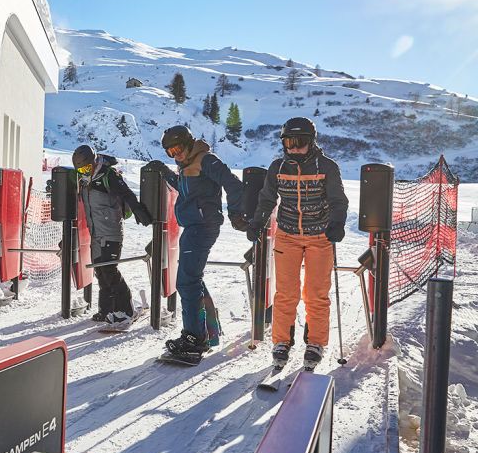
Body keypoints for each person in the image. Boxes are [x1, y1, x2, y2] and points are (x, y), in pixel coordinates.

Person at [246, 117, 348, 371]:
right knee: (286, 293)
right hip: (288, 235)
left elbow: (339, 200)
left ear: (311, 142)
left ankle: (315, 343)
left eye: (300, 142)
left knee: (316, 294)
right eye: (289, 142)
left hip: (320, 237)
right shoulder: (278, 167)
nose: (294, 148)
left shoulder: (327, 166)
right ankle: (281, 342)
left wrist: (337, 223)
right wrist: (257, 222)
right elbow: (267, 199)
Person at [145, 126, 246, 364]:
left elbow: (233, 184)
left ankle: (194, 338)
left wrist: (235, 214)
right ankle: (208, 331)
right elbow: (183, 189)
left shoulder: (206, 160)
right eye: (170, 152)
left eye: (178, 148)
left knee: (187, 282)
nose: (176, 154)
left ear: (189, 143)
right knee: (193, 279)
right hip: (193, 227)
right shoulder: (186, 165)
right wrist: (165, 172)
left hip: (202, 227)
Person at [73, 144, 153, 325]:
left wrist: (138, 209)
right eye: (81, 170)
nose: (84, 172)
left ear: (94, 162)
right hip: (96, 233)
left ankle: (126, 310)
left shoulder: (108, 175)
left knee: (109, 270)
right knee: (100, 272)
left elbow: (127, 193)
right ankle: (107, 310)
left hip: (111, 231)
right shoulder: (84, 180)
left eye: (86, 168)